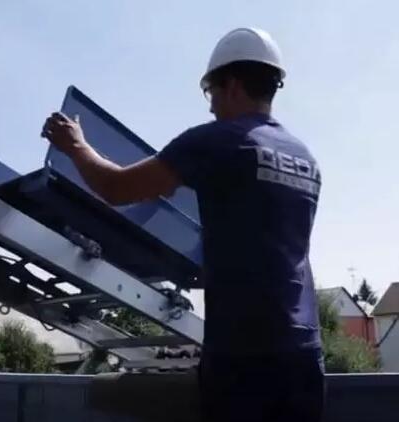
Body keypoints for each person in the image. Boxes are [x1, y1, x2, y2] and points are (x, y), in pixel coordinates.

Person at [41, 27, 325, 422]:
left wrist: (75, 145)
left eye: (211, 93)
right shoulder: (306, 159)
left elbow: (116, 188)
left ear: (232, 84)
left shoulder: (216, 142)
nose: (211, 108)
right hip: (304, 356)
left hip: (242, 357)